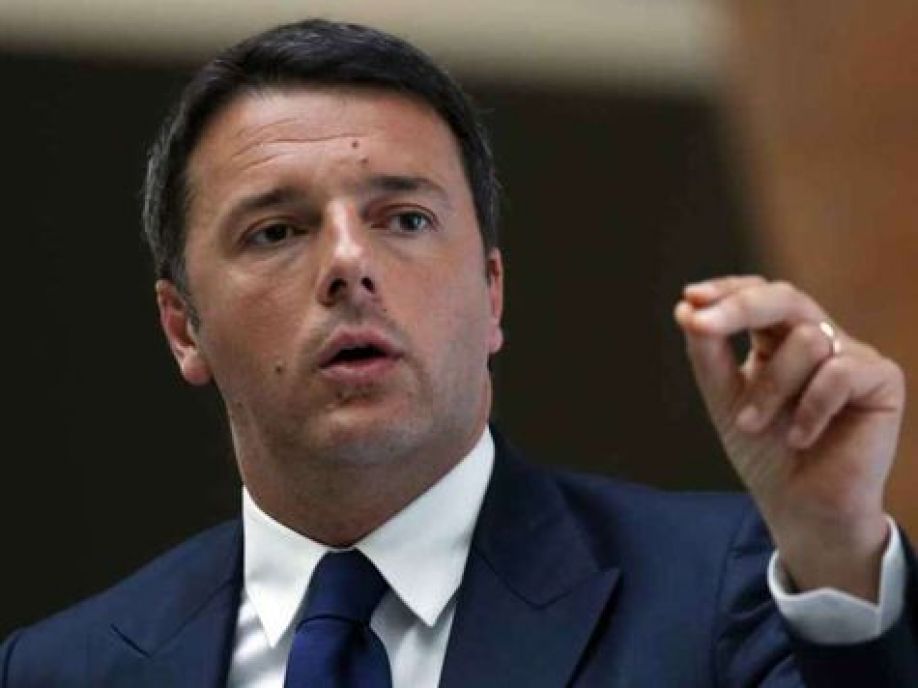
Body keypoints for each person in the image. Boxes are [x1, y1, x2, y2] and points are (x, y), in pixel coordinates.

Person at [1, 18, 915, 688]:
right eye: (277, 231)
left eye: (404, 219)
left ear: (492, 293)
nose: (349, 264)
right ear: (182, 327)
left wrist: (835, 549)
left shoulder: (727, 592)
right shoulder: (60, 669)